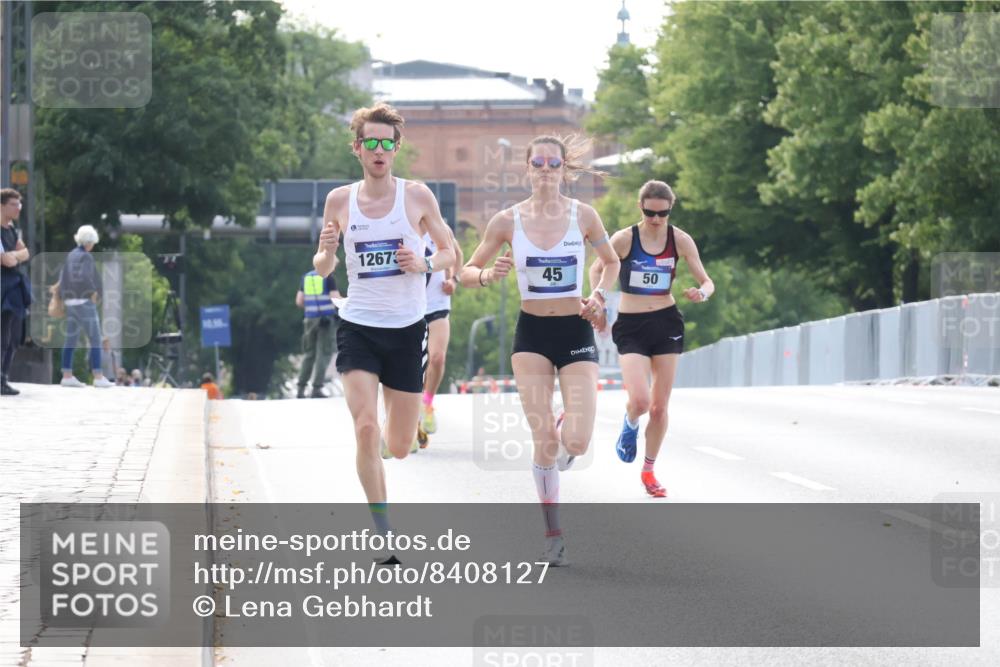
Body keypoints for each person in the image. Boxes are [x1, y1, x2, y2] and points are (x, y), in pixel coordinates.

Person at [460, 134, 620, 566]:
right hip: (531, 335)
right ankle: (553, 535)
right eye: (539, 164)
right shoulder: (506, 222)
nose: (546, 170)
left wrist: (599, 295)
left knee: (577, 443)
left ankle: (567, 423)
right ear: (527, 168)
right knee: (544, 439)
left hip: (574, 331)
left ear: (564, 169)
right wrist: (489, 275)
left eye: (553, 164)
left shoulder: (583, 215)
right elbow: (465, 271)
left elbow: (612, 261)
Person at [314, 102, 455, 562]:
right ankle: (382, 529)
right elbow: (322, 266)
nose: (378, 150)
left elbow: (452, 251)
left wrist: (426, 262)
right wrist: (328, 254)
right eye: (370, 143)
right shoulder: (339, 200)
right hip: (358, 326)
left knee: (399, 444)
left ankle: (405, 433)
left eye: (386, 143)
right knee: (365, 427)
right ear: (357, 148)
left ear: (396, 149)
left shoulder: (416, 197)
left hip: (405, 329)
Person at [589, 180, 714, 498]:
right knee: (641, 401)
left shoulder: (681, 240)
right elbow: (596, 270)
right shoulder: (624, 239)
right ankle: (630, 421)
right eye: (649, 213)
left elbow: (706, 279)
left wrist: (702, 293)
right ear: (640, 208)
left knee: (659, 408)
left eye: (663, 213)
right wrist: (599, 302)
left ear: (671, 209)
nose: (656, 220)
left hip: (666, 321)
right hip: (631, 325)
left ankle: (649, 471)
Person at [415, 226, 464, 448]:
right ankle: (409, 418)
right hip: (409, 307)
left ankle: (427, 403)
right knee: (412, 366)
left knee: (437, 358)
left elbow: (457, 254)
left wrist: (454, 280)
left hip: (437, 305)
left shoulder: (439, 228)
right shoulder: (402, 226)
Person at [58, 225, 113, 388]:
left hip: (70, 302)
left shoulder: (71, 255)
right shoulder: (86, 256)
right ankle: (98, 376)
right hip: (83, 302)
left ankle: (66, 375)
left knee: (70, 339)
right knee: (95, 339)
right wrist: (92, 293)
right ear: (89, 242)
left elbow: (63, 277)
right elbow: (85, 276)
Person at [1, 188, 31, 396]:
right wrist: (15, 255)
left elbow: (26, 252)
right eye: (14, 204)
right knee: (2, 336)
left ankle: (4, 378)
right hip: (2, 288)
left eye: (19, 204)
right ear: (2, 206)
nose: (18, 208)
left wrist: (15, 255)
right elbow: (6, 260)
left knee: (14, 337)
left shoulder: (12, 229)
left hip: (14, 289)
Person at [295, 267, 341, 398]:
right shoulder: (329, 277)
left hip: (310, 319)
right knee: (324, 353)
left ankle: (301, 388)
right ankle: (316, 388)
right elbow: (335, 298)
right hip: (326, 321)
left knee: (309, 353)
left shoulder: (307, 277)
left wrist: (312, 309)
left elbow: (299, 301)